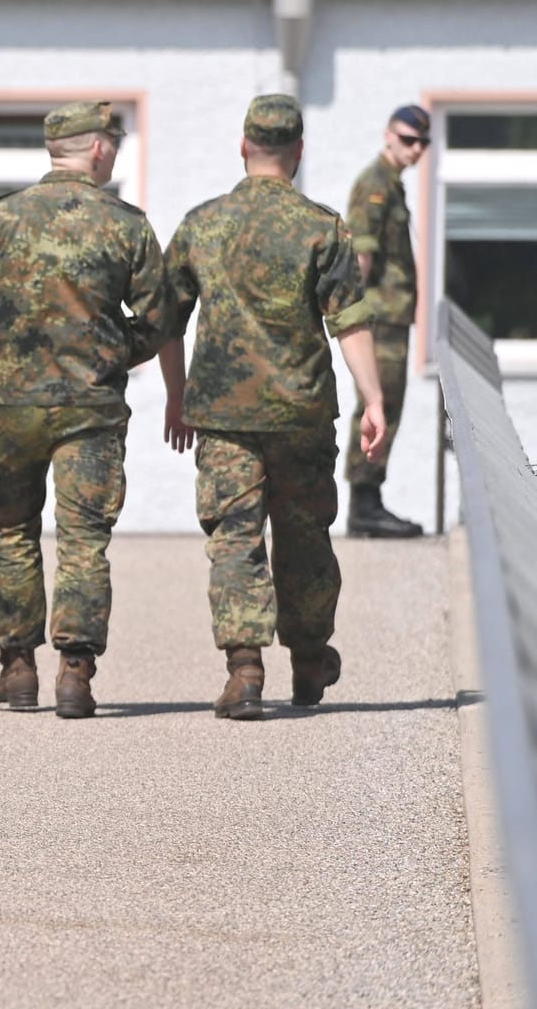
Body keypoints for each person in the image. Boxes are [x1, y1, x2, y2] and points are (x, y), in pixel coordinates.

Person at [0, 101, 170, 719]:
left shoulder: (0, 220)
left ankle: (17, 668)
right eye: (112, 142)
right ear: (96, 150)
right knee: (85, 540)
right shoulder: (127, 224)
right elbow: (161, 318)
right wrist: (116, 351)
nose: (114, 151)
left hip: (15, 406)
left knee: (11, 530)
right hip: (91, 407)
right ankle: (75, 673)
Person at [158, 94, 387, 720]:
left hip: (224, 417)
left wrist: (177, 399)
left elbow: (165, 323)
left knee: (234, 539)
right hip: (302, 413)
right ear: (299, 152)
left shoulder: (202, 223)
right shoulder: (322, 226)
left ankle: (245, 669)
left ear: (243, 146)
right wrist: (375, 400)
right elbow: (350, 321)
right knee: (305, 536)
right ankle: (310, 659)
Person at [342, 104, 429, 537]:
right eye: (409, 139)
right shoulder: (375, 186)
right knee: (379, 406)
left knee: (387, 404)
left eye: (423, 143)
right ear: (389, 135)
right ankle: (364, 504)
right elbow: (361, 257)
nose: (417, 149)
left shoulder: (391, 186)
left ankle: (368, 499)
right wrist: (355, 317)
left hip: (392, 317)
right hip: (379, 318)